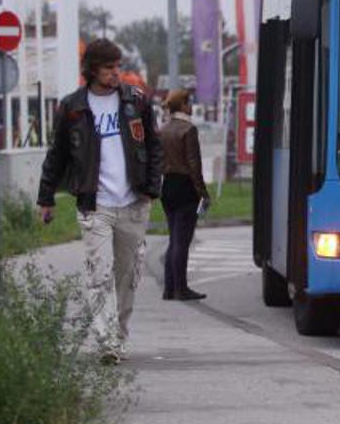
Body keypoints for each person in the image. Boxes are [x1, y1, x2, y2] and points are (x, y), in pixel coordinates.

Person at [37, 39, 161, 364]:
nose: (115, 73)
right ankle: (106, 343)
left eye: (117, 66)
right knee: (98, 275)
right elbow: (57, 154)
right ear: (92, 69)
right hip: (96, 204)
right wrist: (46, 196)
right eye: (108, 68)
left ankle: (118, 336)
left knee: (126, 275)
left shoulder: (136, 102)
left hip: (133, 202)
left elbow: (154, 146)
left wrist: (151, 188)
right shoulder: (73, 107)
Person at [159, 89, 210, 301]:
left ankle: (169, 288)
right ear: (183, 105)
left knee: (173, 238)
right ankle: (181, 288)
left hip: (167, 186)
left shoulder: (162, 129)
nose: (191, 107)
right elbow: (194, 165)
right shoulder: (188, 130)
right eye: (189, 103)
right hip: (186, 186)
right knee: (183, 241)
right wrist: (203, 193)